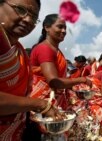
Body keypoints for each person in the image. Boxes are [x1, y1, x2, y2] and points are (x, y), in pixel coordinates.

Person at [0, 0, 62, 140]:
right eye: (21, 10)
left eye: (34, 17)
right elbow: (54, 81)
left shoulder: (18, 50)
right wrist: (40, 104)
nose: (28, 19)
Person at [29, 14, 91, 110]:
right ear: (47, 28)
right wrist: (82, 80)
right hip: (43, 103)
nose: (64, 31)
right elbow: (54, 82)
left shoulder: (56, 50)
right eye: (60, 27)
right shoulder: (44, 49)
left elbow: (60, 78)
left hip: (54, 98)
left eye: (65, 28)